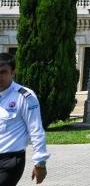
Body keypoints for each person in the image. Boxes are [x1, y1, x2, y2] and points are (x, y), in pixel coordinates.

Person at [0, 52, 49, 186]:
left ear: (13, 73)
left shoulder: (25, 96)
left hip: (9, 161)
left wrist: (40, 162)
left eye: (3, 72)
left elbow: (36, 129)